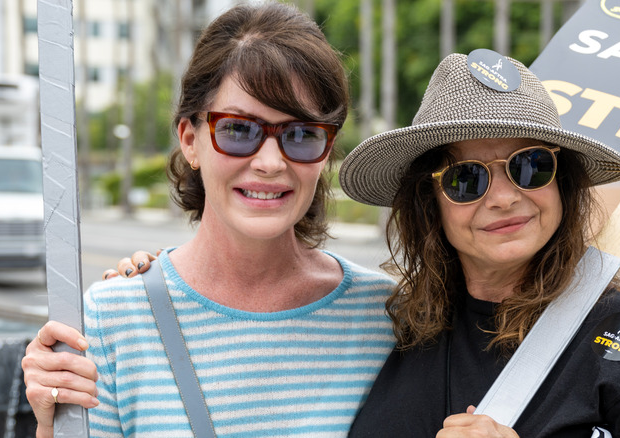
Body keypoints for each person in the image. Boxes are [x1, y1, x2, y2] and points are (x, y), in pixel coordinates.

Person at [21, 3, 397, 437]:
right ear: (190, 141)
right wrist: (52, 425)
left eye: (301, 134)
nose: (271, 162)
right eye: (239, 130)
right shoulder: (112, 320)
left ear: (326, 150)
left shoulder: (384, 316)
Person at [336, 51, 620, 437]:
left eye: (531, 165)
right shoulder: (400, 329)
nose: (503, 198)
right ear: (429, 203)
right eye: (466, 178)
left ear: (561, 182)